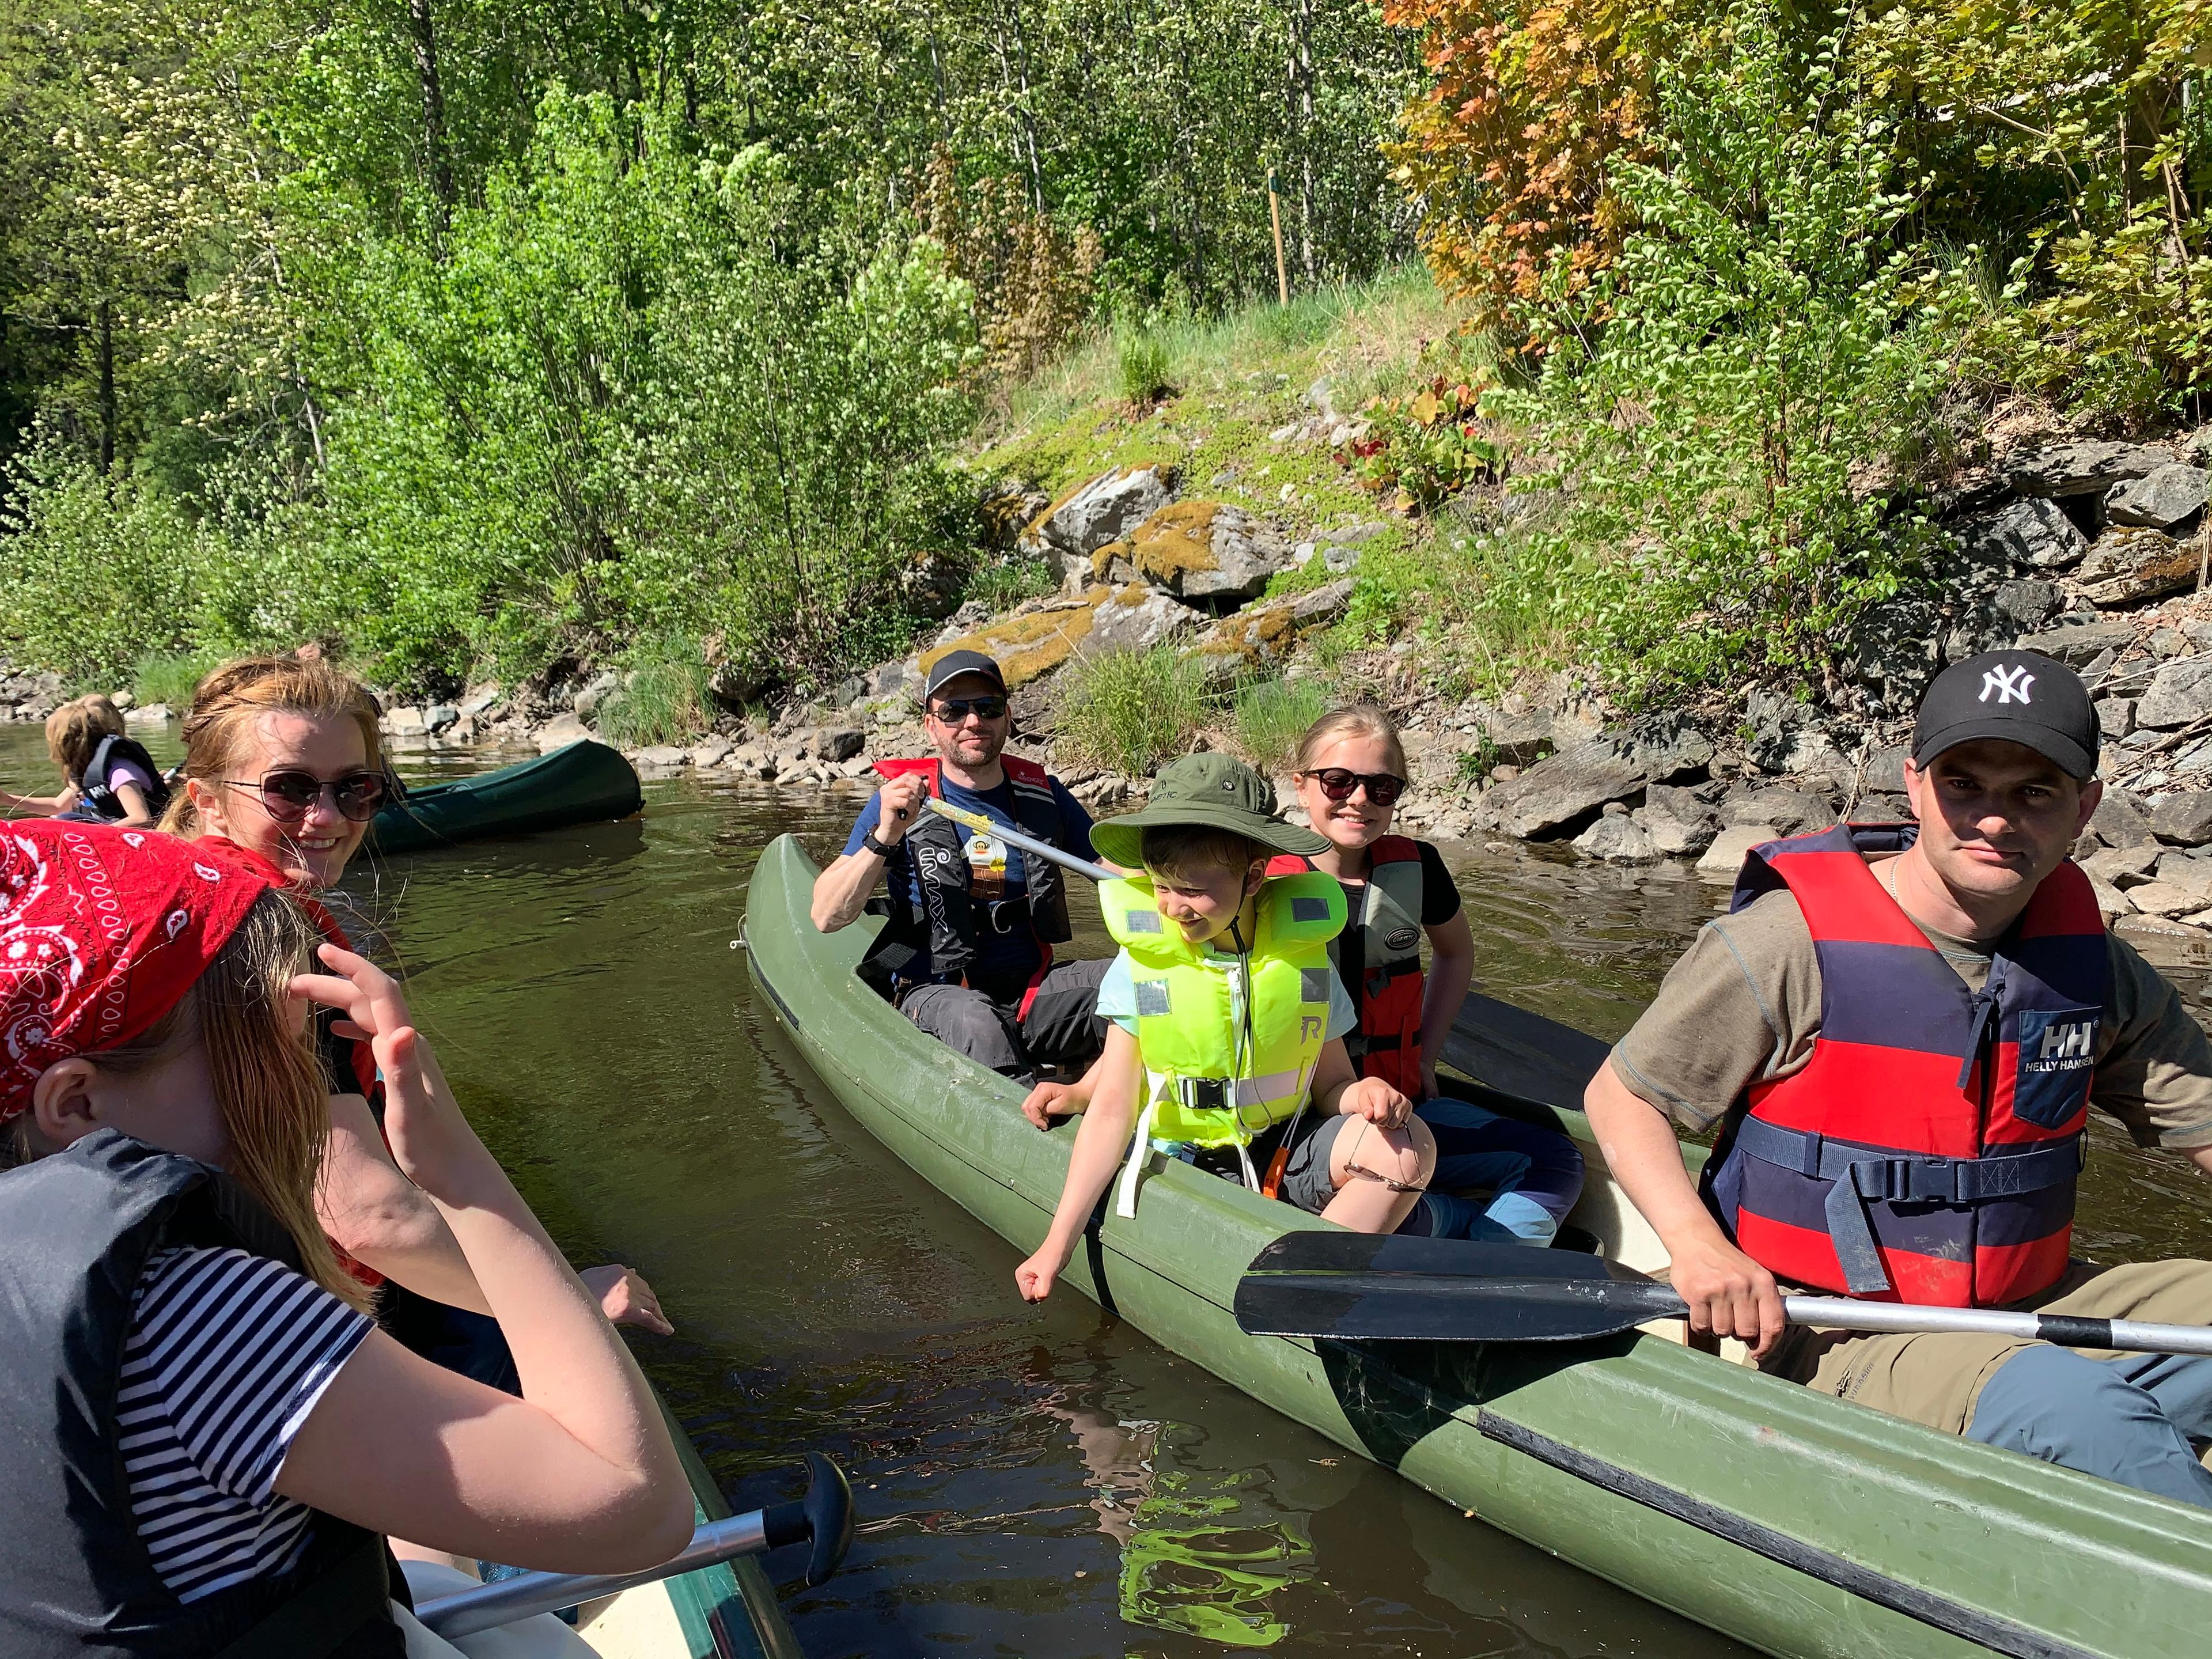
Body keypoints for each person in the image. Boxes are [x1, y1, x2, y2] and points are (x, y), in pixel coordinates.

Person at [0, 820, 693, 1654]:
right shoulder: (192, 1314)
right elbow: (640, 1510)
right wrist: (460, 1173)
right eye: (263, 1054)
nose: (302, 1090)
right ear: (76, 1104)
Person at [1584, 649, 2212, 1508]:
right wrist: (1699, 1248)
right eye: (1965, 785)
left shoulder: (2094, 968)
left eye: (2035, 792)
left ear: (2086, 807)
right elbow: (1623, 1096)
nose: (1996, 819)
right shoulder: (1787, 943)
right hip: (1832, 1325)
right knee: (2072, 1410)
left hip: (2028, 1298)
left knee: (2075, 1386)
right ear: (1915, 785)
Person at [160, 655, 669, 1393]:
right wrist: (570, 1299)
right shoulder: (274, 943)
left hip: (206, 1287)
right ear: (208, 801)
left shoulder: (180, 895)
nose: (328, 817)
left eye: (356, 788)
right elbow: (366, 1216)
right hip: (274, 1326)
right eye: (290, 789)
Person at [1014, 754, 1437, 1304]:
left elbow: (1332, 1086)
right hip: (1180, 1156)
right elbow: (1114, 1109)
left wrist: (1367, 1094)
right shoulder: (1142, 965)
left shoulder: (1305, 961)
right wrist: (1056, 1246)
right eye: (1161, 887)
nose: (1173, 908)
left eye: (1192, 890)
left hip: (1281, 1147)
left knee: (1408, 1145)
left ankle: (1305, 1287)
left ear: (1255, 877)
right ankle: (1311, 1281)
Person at [1279, 705, 1583, 1245]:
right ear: (1301, 786)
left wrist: (1423, 1057)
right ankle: (1449, 1225)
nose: (1359, 799)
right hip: (1301, 1121)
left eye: (1382, 787)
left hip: (1402, 1106)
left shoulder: (1419, 866)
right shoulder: (1261, 880)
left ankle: (1487, 1260)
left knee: (1556, 1159)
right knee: (1387, 1178)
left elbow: (1456, 953)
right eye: (1338, 781)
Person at [811, 649, 1109, 1082]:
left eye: (988, 707)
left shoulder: (1044, 794)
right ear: (931, 726)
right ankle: (1025, 1113)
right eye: (954, 711)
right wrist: (886, 835)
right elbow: (826, 916)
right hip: (937, 993)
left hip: (1031, 992)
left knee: (1138, 983)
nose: (973, 721)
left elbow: (1117, 872)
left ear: (1007, 717)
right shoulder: (897, 803)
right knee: (977, 1022)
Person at [0, 694, 166, 825]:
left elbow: (141, 819)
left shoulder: (118, 772)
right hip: (106, 826)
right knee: (60, 818)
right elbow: (58, 806)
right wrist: (7, 800)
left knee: (65, 819)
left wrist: (89, 834)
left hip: (129, 836)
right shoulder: (88, 772)